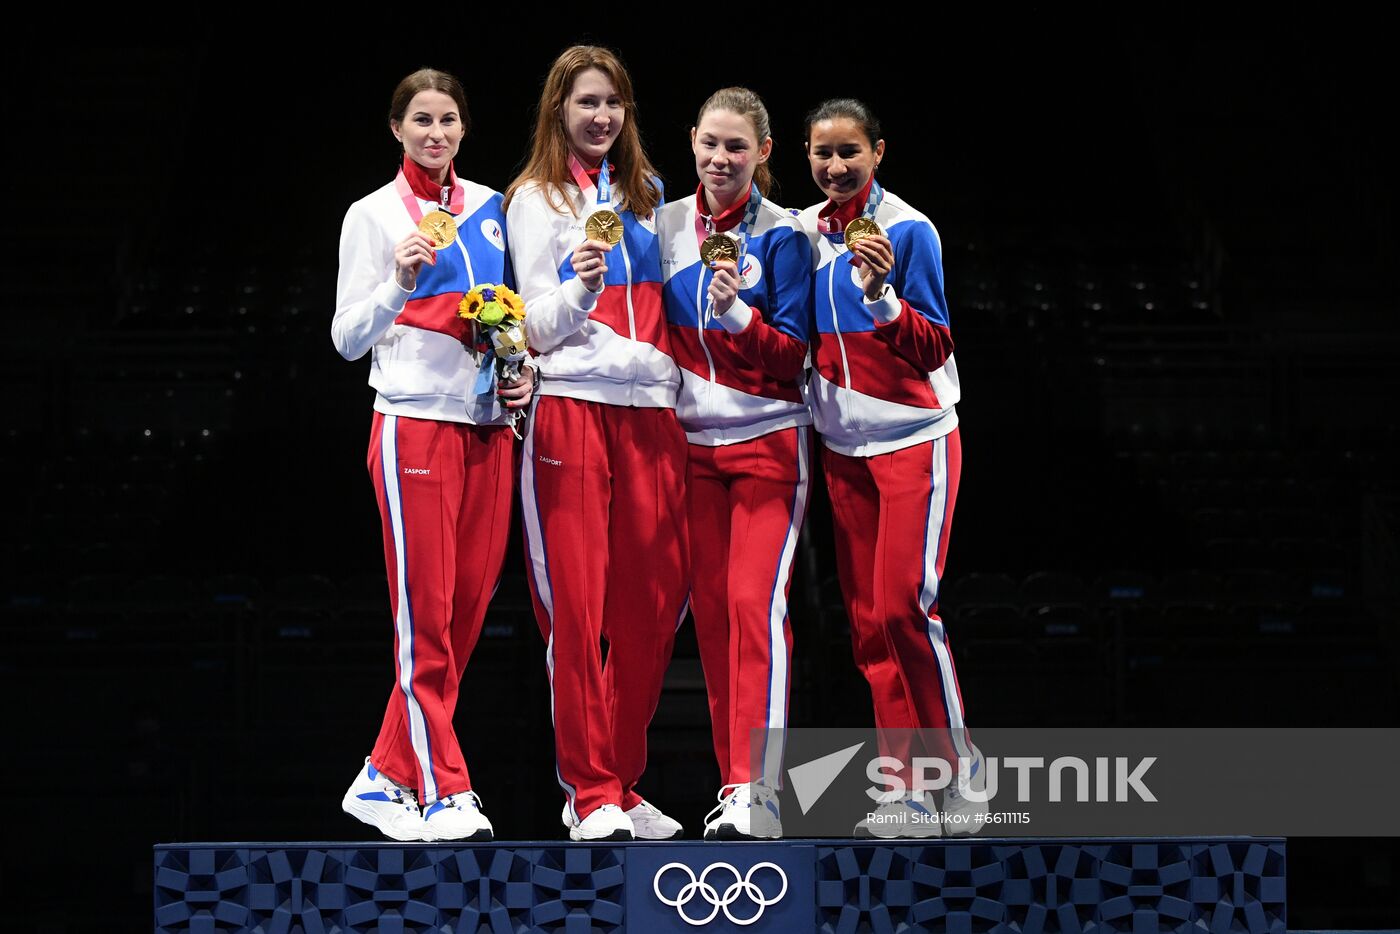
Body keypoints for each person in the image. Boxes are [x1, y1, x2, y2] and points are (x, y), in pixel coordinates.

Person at [332, 68, 534, 842]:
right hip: (412, 426)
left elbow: (507, 319)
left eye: (448, 119)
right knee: (424, 621)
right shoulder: (373, 215)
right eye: (421, 120)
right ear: (396, 128)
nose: (436, 134)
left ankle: (383, 776)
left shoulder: (489, 208)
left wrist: (525, 377)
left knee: (463, 618)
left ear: (463, 128)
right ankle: (447, 789)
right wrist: (398, 280)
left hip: (489, 431)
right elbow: (348, 340)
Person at [504, 45, 687, 841]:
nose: (601, 116)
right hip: (572, 410)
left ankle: (620, 776)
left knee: (653, 607)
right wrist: (580, 283)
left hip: (651, 412)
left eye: (612, 102)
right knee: (575, 612)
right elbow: (532, 327)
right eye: (586, 102)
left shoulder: (649, 198)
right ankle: (590, 792)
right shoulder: (534, 200)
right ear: (558, 110)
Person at [798, 98, 983, 838]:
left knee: (909, 606)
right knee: (870, 624)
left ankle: (960, 770)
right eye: (822, 154)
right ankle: (903, 791)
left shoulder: (910, 230)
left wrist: (881, 297)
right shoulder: (804, 234)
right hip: (843, 448)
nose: (836, 167)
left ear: (878, 152)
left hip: (915, 437)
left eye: (849, 152)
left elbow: (934, 344)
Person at [656, 88, 811, 839]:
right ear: (691, 140)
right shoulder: (661, 228)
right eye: (711, 144)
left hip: (767, 447)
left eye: (737, 148)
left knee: (756, 609)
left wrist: (738, 317)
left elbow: (793, 358)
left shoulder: (781, 238)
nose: (721, 159)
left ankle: (763, 791)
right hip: (689, 454)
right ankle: (734, 786)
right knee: (714, 624)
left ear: (764, 153)